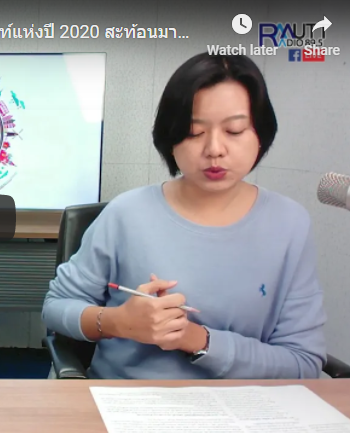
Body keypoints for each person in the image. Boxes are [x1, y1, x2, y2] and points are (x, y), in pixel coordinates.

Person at [42, 53, 327, 380]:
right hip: (126, 400)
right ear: (171, 137)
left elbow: (303, 362)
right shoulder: (127, 214)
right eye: (194, 132)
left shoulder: (290, 224)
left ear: (261, 133)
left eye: (234, 130)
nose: (215, 149)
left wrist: (196, 339)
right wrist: (119, 321)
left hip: (244, 404)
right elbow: (57, 307)